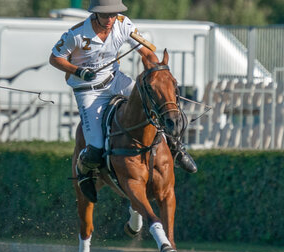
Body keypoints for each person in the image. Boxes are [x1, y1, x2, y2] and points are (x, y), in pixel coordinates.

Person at [49, 0, 197, 202]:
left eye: (113, 14)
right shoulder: (76, 33)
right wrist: (79, 71)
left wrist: (156, 73)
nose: (110, 19)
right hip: (88, 91)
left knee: (152, 104)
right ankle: (84, 175)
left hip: (115, 80)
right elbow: (55, 58)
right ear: (95, 14)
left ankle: (175, 146)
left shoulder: (123, 24)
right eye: (105, 15)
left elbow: (146, 51)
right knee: (95, 148)